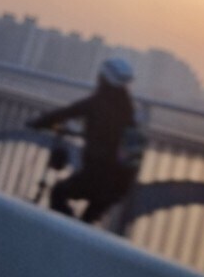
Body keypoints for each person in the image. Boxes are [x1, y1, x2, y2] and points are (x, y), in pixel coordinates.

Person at [27, 57, 143, 224]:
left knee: (58, 192)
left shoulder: (96, 103)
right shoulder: (131, 110)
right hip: (120, 184)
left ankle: (69, 232)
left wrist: (37, 123)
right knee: (88, 220)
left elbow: (65, 113)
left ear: (104, 79)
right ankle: (78, 232)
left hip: (95, 176)